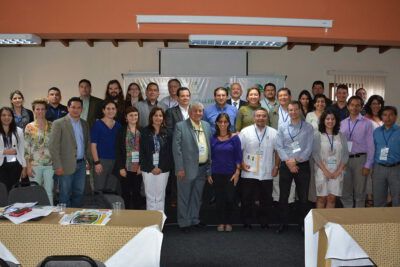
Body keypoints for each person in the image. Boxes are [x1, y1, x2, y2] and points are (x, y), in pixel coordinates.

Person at [276, 101, 314, 233]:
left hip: (302, 165)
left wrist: (296, 161)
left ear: (300, 110)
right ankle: (282, 223)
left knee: (303, 198)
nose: (293, 112)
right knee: (283, 196)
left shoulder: (308, 127)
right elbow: (279, 146)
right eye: (290, 110)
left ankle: (302, 225)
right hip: (286, 164)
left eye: (295, 110)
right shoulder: (282, 127)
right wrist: (288, 161)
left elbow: (309, 148)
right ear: (288, 111)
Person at [173, 102, 212, 232]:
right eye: (196, 111)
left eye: (201, 111)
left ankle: (194, 219)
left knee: (197, 196)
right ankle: (184, 222)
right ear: (190, 112)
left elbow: (209, 146)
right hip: (186, 168)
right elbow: (176, 149)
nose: (198, 113)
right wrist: (179, 168)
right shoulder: (180, 126)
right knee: (184, 196)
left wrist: (209, 168)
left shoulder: (206, 126)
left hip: (203, 168)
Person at [239, 108, 279, 229]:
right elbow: (239, 150)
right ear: (254, 117)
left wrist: (276, 166)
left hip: (267, 170)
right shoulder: (245, 131)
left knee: (266, 199)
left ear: (267, 118)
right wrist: (241, 164)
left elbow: (278, 151)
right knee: (247, 198)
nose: (261, 118)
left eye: (263, 116)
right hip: (249, 170)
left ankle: (264, 221)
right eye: (258, 116)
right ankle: (247, 221)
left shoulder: (273, 132)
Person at [49, 97, 91, 207]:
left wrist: (88, 160)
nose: (75, 110)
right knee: (65, 194)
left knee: (79, 192)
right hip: (64, 165)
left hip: (81, 164)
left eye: (78, 107)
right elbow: (53, 146)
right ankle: (64, 219)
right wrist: (57, 166)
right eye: (73, 107)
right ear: (68, 108)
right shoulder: (58, 123)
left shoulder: (85, 124)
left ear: (82, 109)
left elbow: (86, 144)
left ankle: (76, 216)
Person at [208, 113, 242, 232]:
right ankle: (221, 222)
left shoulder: (234, 138)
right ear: (216, 123)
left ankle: (229, 222)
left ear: (229, 123)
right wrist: (208, 173)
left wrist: (237, 172)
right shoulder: (212, 138)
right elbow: (209, 157)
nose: (223, 124)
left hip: (231, 174)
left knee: (230, 198)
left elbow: (239, 156)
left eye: (225, 122)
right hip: (216, 173)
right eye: (220, 122)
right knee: (219, 199)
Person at [340, 96, 374, 208]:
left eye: (357, 105)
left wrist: (368, 165)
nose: (354, 107)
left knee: (360, 194)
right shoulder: (342, 123)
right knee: (345, 193)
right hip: (345, 160)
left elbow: (371, 145)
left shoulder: (367, 123)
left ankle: (358, 220)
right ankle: (348, 219)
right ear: (348, 106)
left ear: (361, 107)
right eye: (352, 105)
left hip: (360, 161)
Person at [312, 110, 349, 208]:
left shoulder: (341, 136)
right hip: (321, 170)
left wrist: (338, 171)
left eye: (333, 119)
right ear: (323, 121)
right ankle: (319, 223)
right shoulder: (317, 135)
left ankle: (329, 223)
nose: (330, 121)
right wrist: (326, 171)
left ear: (336, 121)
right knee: (321, 198)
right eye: (327, 119)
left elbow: (345, 155)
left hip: (337, 171)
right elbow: (315, 154)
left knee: (332, 198)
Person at [140, 107, 172, 211]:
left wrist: (161, 167)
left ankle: (159, 222)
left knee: (160, 196)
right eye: (156, 115)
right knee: (150, 196)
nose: (158, 118)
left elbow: (169, 153)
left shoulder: (167, 133)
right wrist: (151, 167)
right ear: (151, 117)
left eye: (160, 115)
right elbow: (142, 152)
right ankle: (150, 223)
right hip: (148, 169)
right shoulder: (144, 131)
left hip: (163, 169)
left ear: (163, 118)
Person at [25, 99, 54, 205]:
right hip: (34, 165)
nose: (40, 111)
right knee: (35, 192)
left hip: (50, 165)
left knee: (49, 192)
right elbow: (26, 148)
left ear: (46, 110)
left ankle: (51, 215)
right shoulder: (29, 127)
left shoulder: (52, 125)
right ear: (34, 110)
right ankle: (35, 216)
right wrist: (28, 166)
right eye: (37, 109)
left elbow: (55, 146)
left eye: (42, 109)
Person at [165, 87, 191, 207]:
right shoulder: (171, 112)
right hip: (178, 149)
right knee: (177, 175)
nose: (185, 98)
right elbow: (169, 131)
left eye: (187, 95)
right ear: (178, 98)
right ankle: (175, 199)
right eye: (182, 96)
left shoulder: (195, 110)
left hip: (193, 150)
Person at [91, 100, 122, 192]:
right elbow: (93, 146)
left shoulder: (118, 126)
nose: (110, 111)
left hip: (116, 162)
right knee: (99, 189)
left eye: (113, 108)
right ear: (103, 110)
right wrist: (97, 163)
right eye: (108, 108)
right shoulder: (97, 125)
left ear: (116, 111)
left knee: (112, 188)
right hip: (101, 161)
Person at [115, 106, 143, 209]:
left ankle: (137, 216)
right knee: (125, 193)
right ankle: (126, 216)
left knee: (137, 192)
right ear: (126, 117)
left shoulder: (142, 131)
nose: (133, 117)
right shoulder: (121, 131)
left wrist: (142, 165)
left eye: (136, 115)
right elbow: (118, 150)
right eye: (131, 115)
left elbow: (145, 151)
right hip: (125, 167)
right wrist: (121, 167)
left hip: (138, 168)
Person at [372, 106, 400, 207]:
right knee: (378, 198)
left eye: (391, 115)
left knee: (397, 198)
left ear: (395, 117)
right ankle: (379, 221)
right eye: (385, 115)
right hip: (379, 168)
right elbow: (372, 150)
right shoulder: (376, 132)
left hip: (396, 169)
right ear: (381, 117)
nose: (388, 118)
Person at [364, 95, 384, 207]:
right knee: (369, 177)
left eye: (378, 103)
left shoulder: (384, 117)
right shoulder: (366, 118)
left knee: (379, 176)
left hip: (382, 153)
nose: (376, 106)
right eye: (373, 103)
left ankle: (380, 199)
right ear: (370, 105)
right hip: (370, 151)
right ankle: (369, 199)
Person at [0, 107, 26, 192]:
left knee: (15, 190)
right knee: (3, 191)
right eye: (3, 115)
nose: (6, 117)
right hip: (1, 165)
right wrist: (4, 151)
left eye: (9, 115)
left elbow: (22, 149)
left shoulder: (19, 130)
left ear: (12, 117)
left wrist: (24, 167)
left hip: (16, 165)